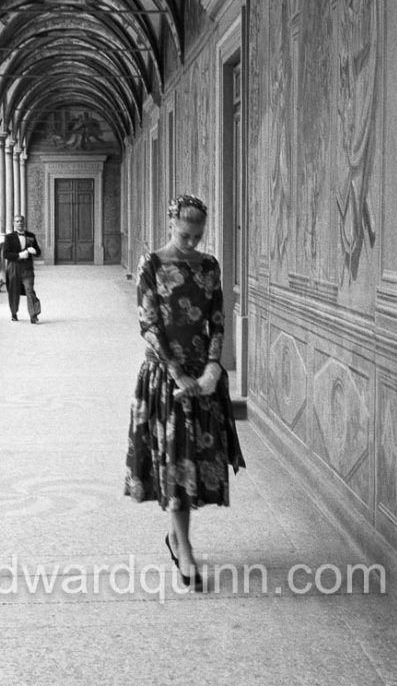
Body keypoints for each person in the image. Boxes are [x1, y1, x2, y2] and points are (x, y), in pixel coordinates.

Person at [124, 194, 245, 590]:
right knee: (176, 464)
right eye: (184, 235)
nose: (191, 242)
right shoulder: (153, 264)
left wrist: (213, 367)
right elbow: (148, 322)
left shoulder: (209, 266)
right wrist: (177, 374)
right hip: (165, 377)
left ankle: (177, 537)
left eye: (197, 235)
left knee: (193, 460)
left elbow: (216, 318)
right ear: (171, 223)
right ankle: (186, 550)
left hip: (202, 377)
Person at [3, 215, 42, 324]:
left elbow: (38, 252)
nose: (19, 223)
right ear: (13, 223)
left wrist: (34, 251)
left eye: (21, 221)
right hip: (14, 267)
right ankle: (14, 312)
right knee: (13, 291)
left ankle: (33, 314)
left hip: (27, 268)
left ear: (24, 223)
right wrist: (19, 255)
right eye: (17, 221)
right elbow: (6, 254)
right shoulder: (9, 237)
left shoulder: (31, 236)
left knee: (30, 290)